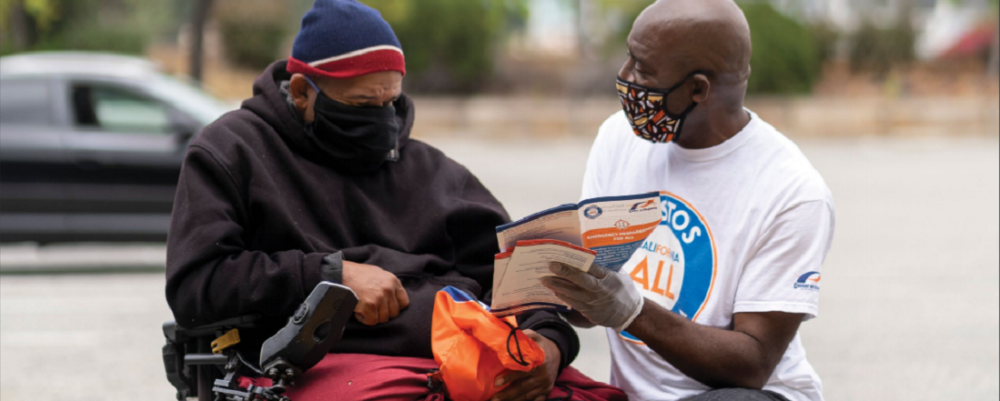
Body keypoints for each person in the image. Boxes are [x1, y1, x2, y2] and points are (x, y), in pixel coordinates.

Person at [165, 1, 589, 400]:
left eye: (392, 101)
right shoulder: (232, 150)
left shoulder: (433, 171)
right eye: (363, 103)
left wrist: (550, 342)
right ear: (301, 92)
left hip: (467, 353)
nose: (383, 118)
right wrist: (330, 276)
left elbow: (509, 276)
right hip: (319, 363)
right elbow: (197, 285)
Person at [541, 0, 835, 400]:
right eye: (629, 57)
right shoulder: (618, 138)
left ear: (698, 88)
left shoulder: (792, 192)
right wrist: (554, 282)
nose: (625, 76)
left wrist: (633, 312)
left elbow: (753, 364)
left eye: (642, 68)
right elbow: (593, 299)